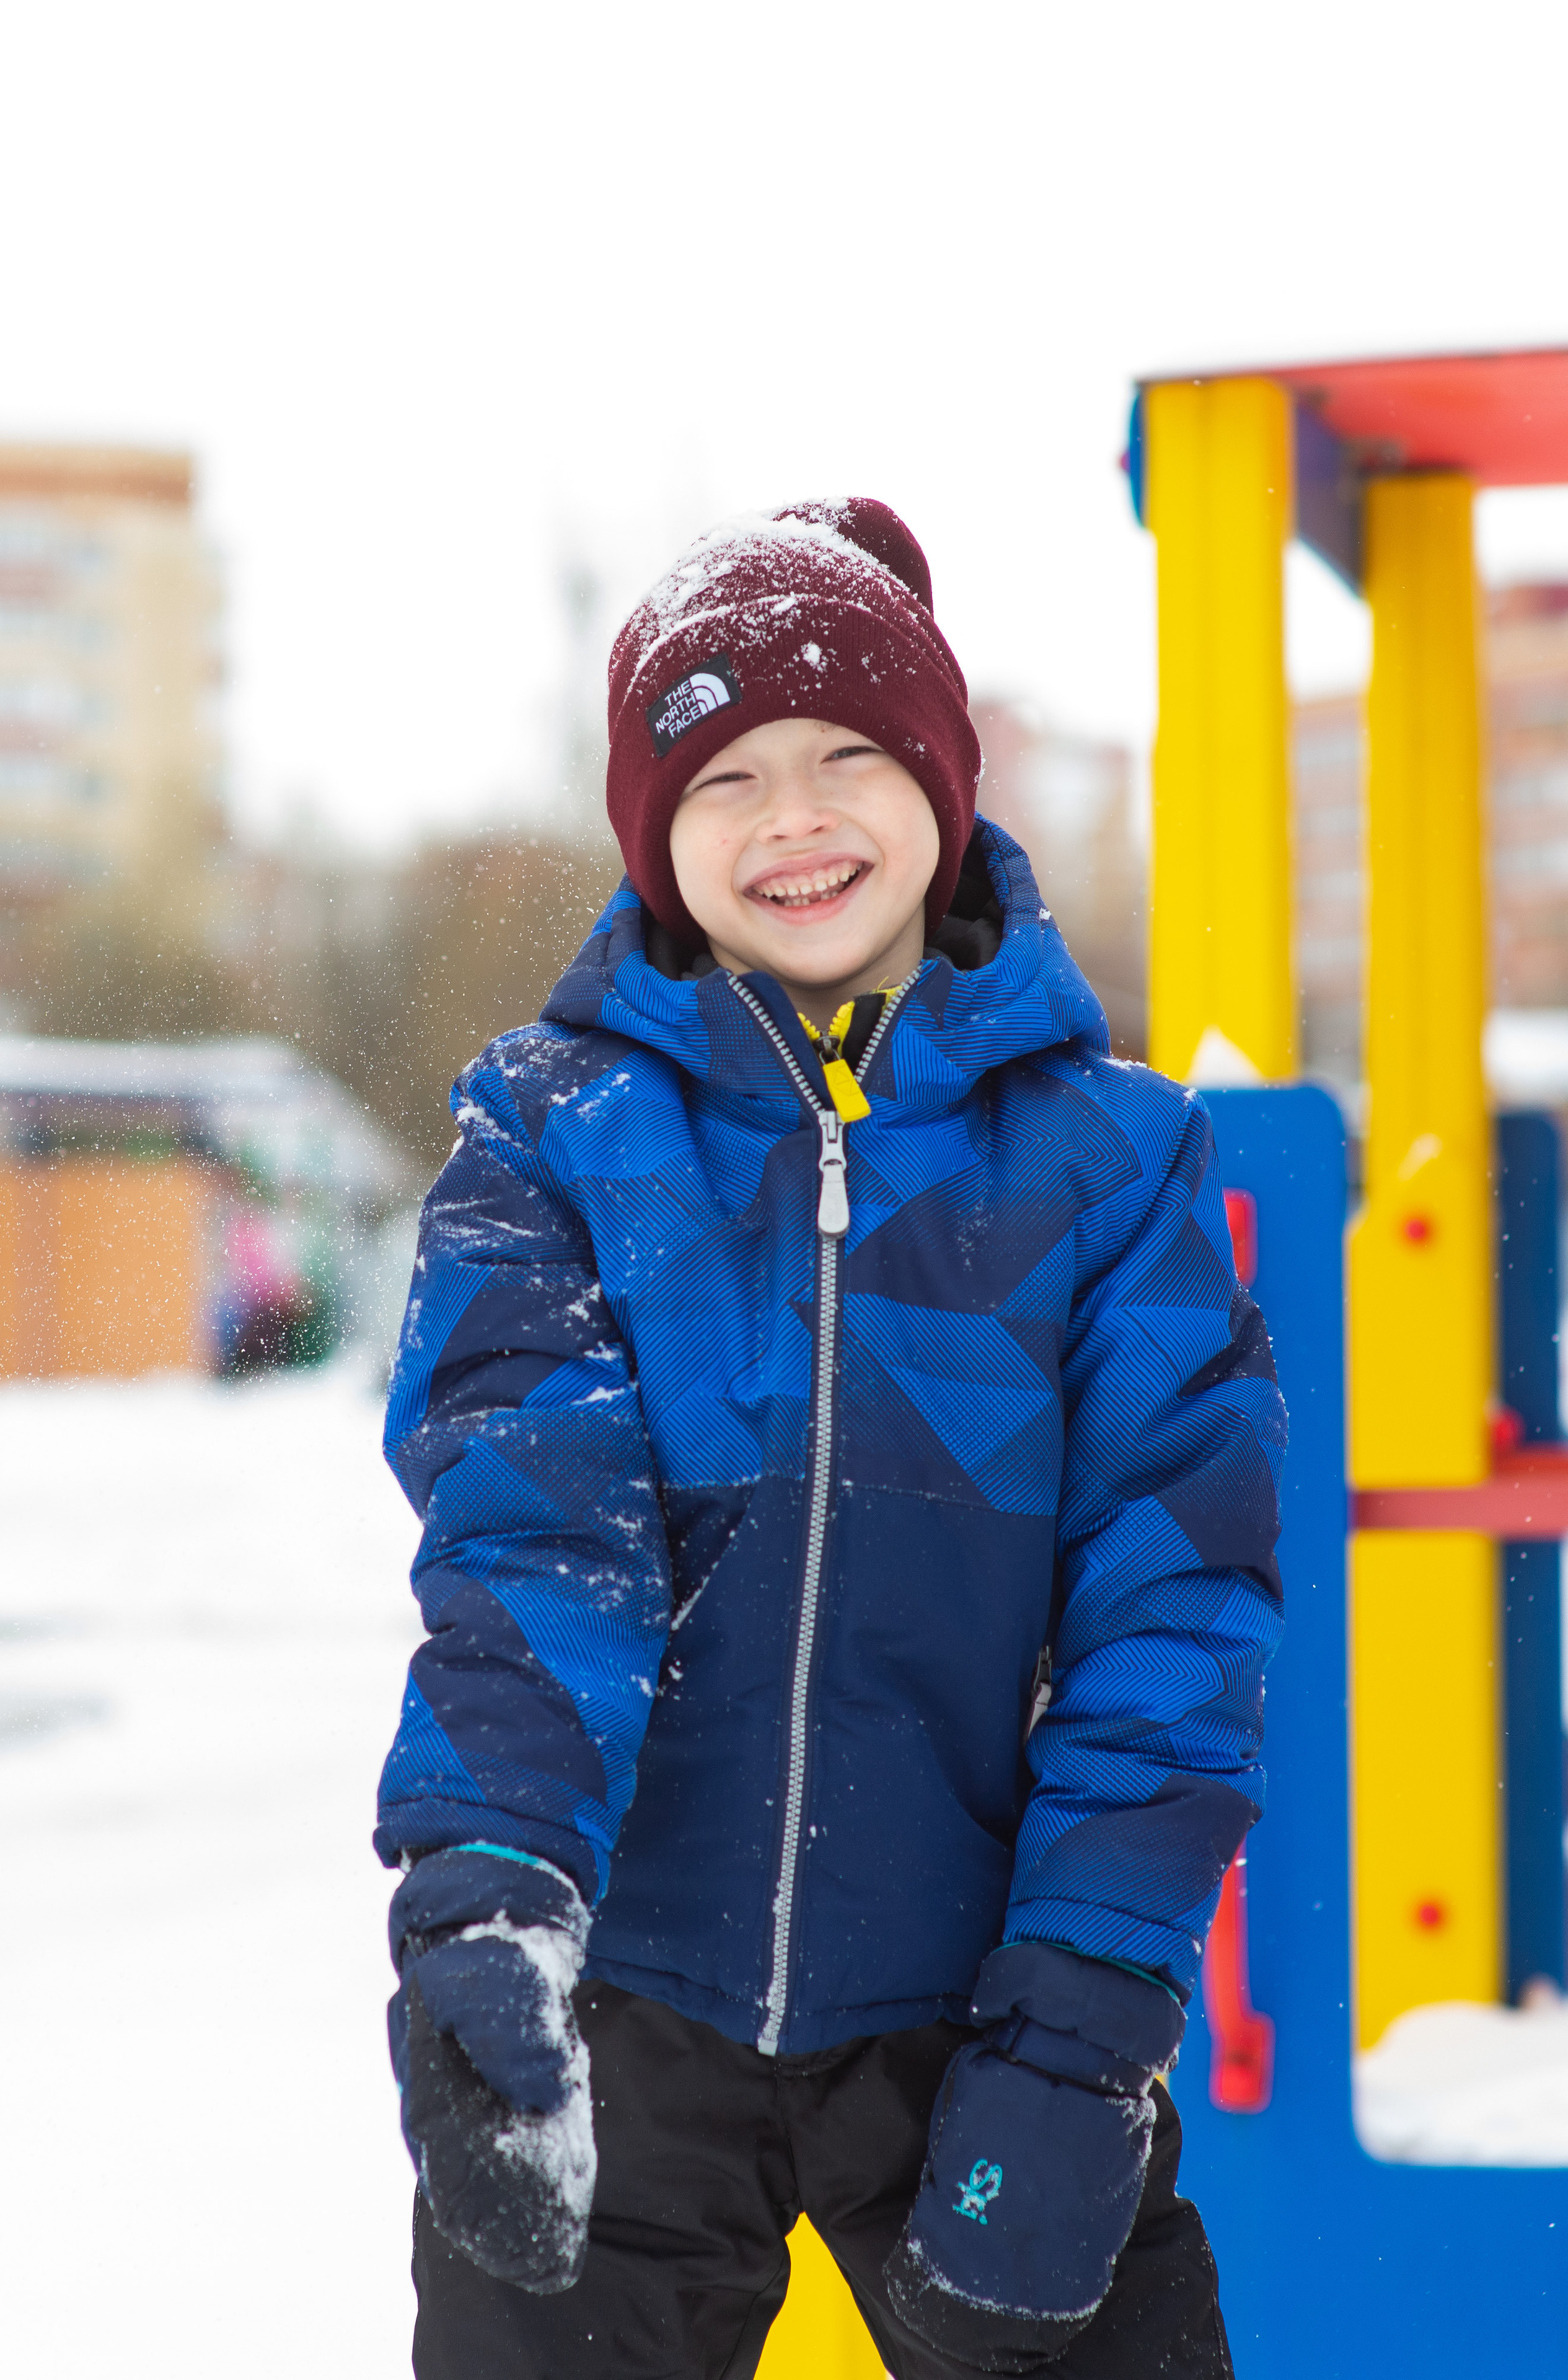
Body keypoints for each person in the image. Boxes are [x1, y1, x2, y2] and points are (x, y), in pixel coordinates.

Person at [377, 498, 1286, 2379]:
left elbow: (1174, 1615)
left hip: (981, 2005)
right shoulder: (545, 1138)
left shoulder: (1110, 1160)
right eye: (727, 777)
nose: (793, 817)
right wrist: (487, 1916)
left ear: (945, 784)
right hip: (634, 1995)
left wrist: (1080, 2031)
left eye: (850, 756)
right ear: (654, 834)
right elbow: (533, 1549)